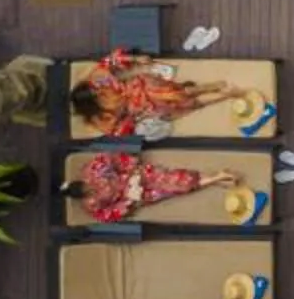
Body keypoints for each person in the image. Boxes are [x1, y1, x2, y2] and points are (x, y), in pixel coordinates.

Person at [71, 49, 255, 138]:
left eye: (95, 89)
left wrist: (135, 59)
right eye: (97, 95)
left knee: (171, 93)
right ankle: (221, 94)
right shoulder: (99, 118)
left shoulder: (97, 79)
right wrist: (131, 120)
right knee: (180, 104)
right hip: (138, 109)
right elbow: (119, 130)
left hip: (139, 86)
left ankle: (211, 88)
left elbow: (111, 61)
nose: (100, 91)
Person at [62, 151, 242, 224]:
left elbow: (116, 159)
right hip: (137, 196)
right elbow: (110, 214)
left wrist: (132, 172)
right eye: (87, 193)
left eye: (87, 187)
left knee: (172, 178)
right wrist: (129, 199)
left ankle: (218, 177)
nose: (91, 190)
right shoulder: (91, 205)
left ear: (82, 181)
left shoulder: (92, 169)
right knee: (172, 189)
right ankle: (216, 178)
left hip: (137, 175)